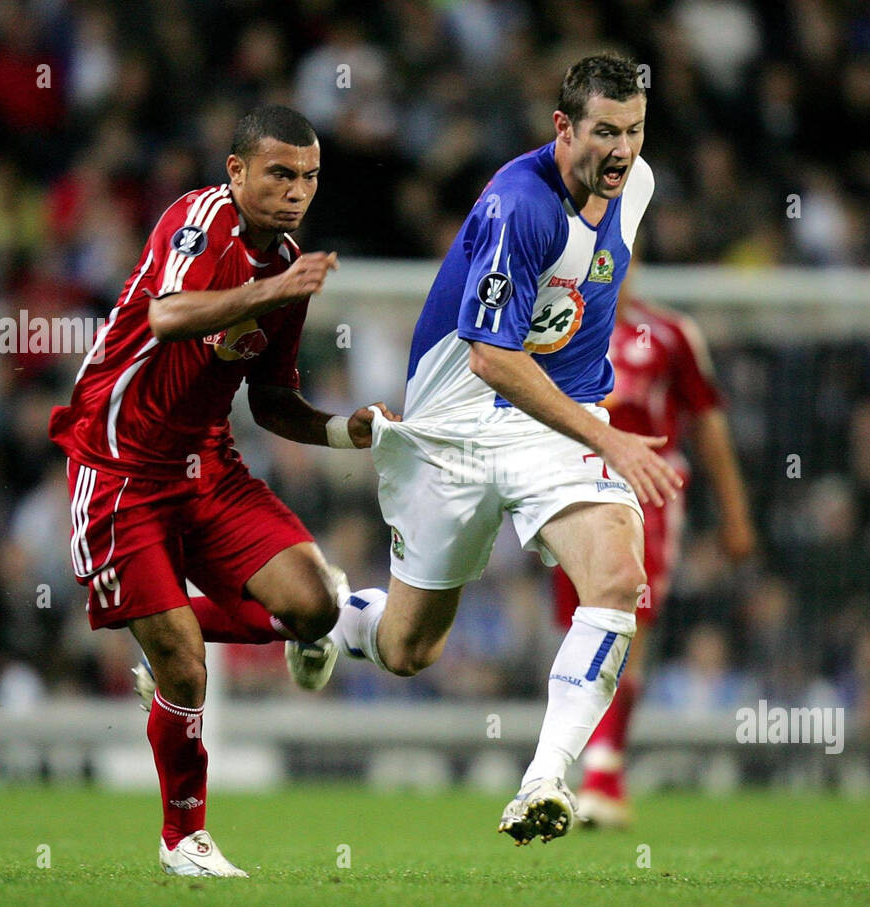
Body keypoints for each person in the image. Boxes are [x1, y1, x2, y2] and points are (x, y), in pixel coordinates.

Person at [287, 53, 682, 845]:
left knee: (615, 574)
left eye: (634, 131)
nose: (621, 150)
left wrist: (592, 418)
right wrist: (609, 436)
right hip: (459, 423)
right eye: (604, 130)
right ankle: (331, 618)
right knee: (407, 648)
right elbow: (491, 356)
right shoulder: (516, 205)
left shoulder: (634, 185)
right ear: (563, 126)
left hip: (555, 416)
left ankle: (546, 778)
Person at [49, 104, 397, 877]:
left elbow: (271, 400)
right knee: (184, 666)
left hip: (207, 465)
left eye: (308, 177)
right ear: (236, 171)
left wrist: (348, 431)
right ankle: (185, 840)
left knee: (315, 605)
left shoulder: (290, 268)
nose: (295, 190)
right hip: (118, 466)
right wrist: (269, 294)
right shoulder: (198, 219)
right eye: (279, 173)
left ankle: (170, 641)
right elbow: (169, 316)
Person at [554, 269, 756, 829]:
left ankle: (600, 774)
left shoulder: (669, 334)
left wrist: (735, 512)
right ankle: (593, 771)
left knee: (628, 621)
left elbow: (708, 423)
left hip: (651, 491)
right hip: (566, 487)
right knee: (581, 627)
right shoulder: (554, 325)